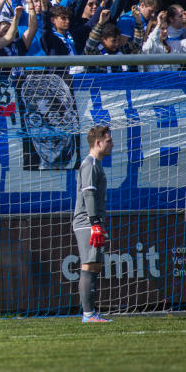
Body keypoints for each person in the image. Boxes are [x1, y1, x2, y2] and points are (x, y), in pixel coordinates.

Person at [73, 126, 114, 323]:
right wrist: (95, 223)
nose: (112, 144)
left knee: (95, 265)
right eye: (109, 141)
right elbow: (88, 193)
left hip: (93, 222)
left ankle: (91, 313)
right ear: (98, 142)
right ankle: (88, 314)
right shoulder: (89, 164)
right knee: (89, 265)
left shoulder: (96, 164)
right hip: (87, 222)